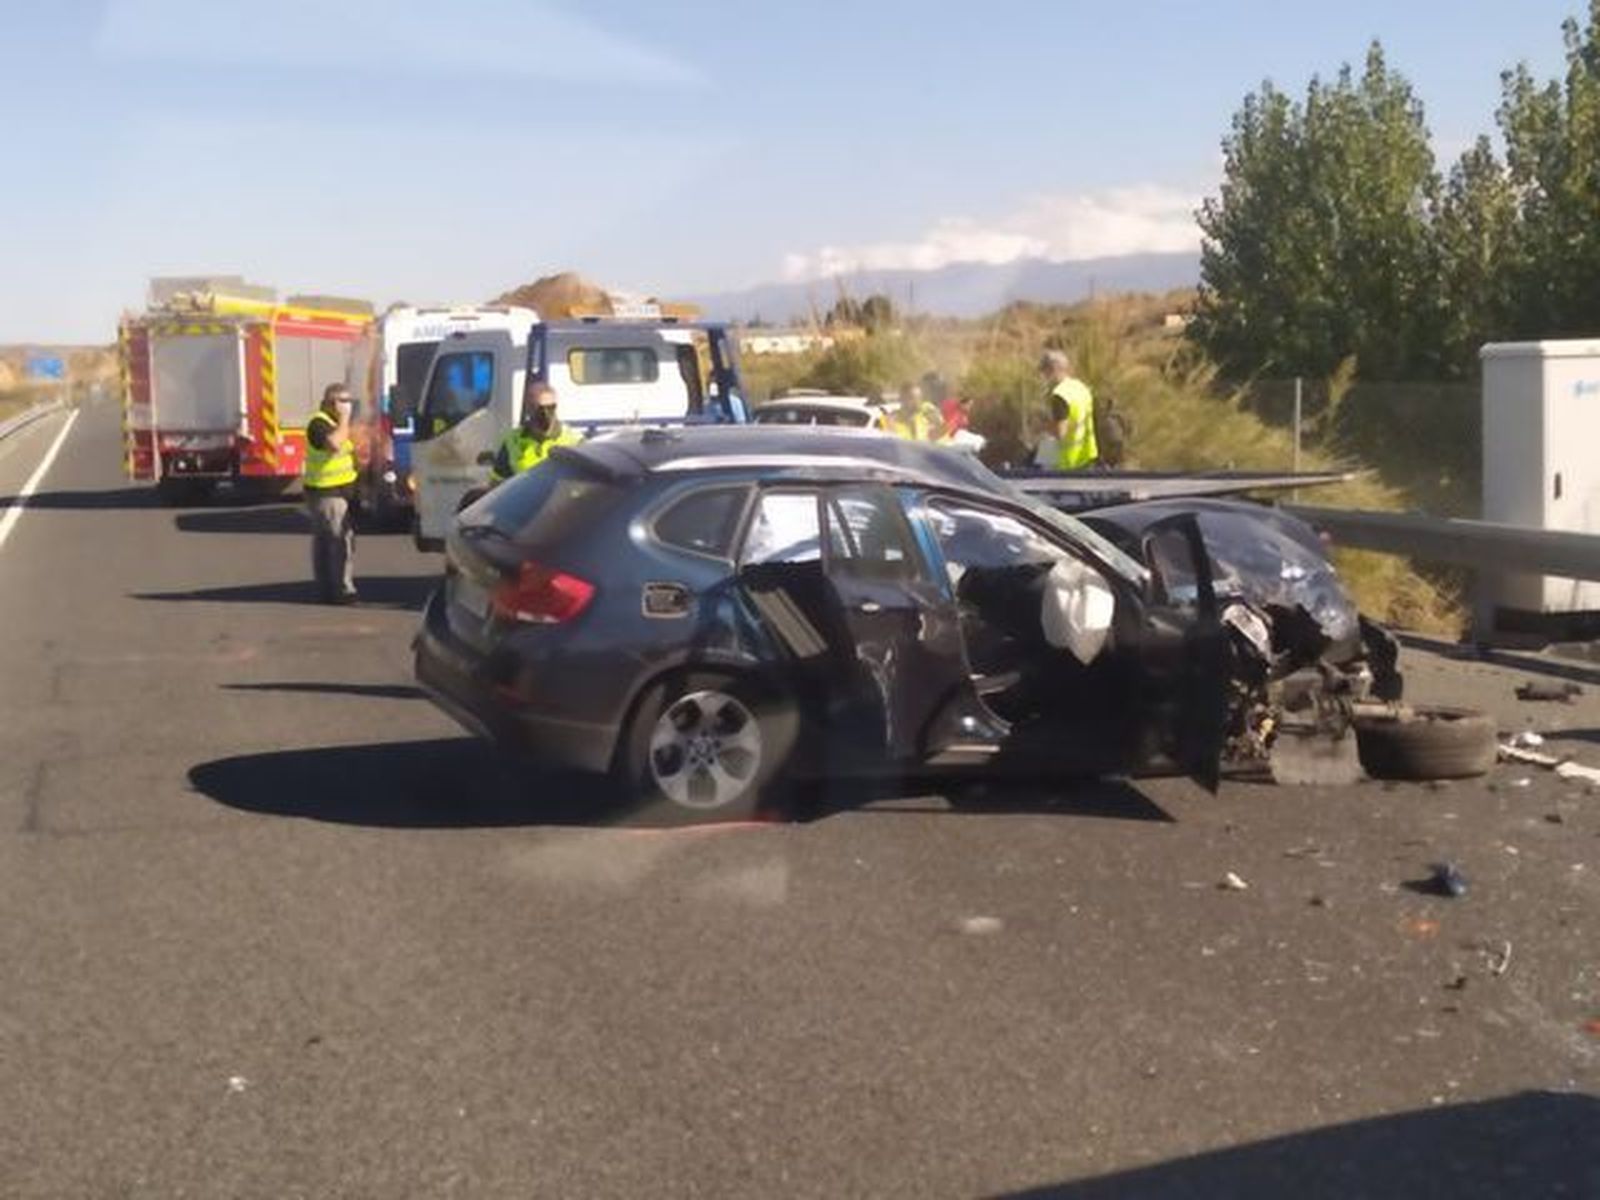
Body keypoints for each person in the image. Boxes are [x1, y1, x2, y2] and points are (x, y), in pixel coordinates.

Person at [303, 383, 359, 605]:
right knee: (338, 542)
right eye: (342, 401)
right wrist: (345, 419)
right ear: (329, 403)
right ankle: (342, 590)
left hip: (339, 492)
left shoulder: (335, 424)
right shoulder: (318, 424)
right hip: (327, 493)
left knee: (326, 542)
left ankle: (327, 588)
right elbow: (334, 444)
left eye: (349, 401)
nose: (347, 406)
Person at [489, 381, 581, 484]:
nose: (546, 414)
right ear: (529, 408)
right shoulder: (512, 441)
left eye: (551, 408)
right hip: (526, 499)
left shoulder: (574, 442)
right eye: (540, 409)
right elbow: (497, 485)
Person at [1039, 349, 1098, 470]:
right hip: (1086, 456)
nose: (1043, 376)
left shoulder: (1060, 395)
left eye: (1045, 371)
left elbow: (1060, 433)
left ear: (1053, 370)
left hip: (1066, 463)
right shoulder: (1080, 387)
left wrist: (1044, 426)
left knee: (1044, 449)